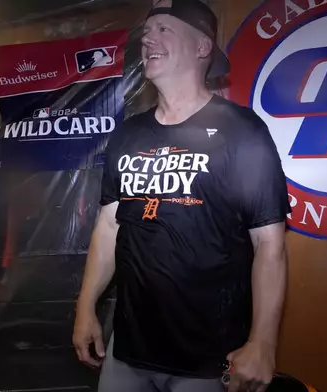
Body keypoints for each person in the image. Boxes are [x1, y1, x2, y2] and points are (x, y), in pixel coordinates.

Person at [72, 1, 290, 391]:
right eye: (147, 29)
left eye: (164, 29)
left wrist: (263, 342)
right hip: (129, 347)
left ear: (202, 47)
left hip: (208, 356)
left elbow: (269, 244)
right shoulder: (128, 134)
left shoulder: (242, 132)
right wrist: (85, 307)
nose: (147, 38)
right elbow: (108, 227)